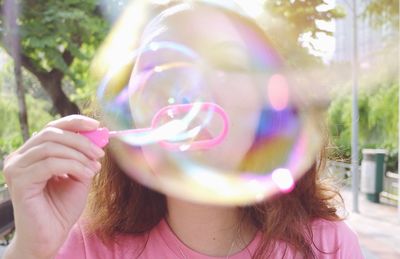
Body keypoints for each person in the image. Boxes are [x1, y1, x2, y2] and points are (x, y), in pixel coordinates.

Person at [3, 1, 364, 259]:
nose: (193, 87)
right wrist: (31, 250)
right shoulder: (83, 247)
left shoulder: (327, 248)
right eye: (164, 66)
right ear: (132, 115)